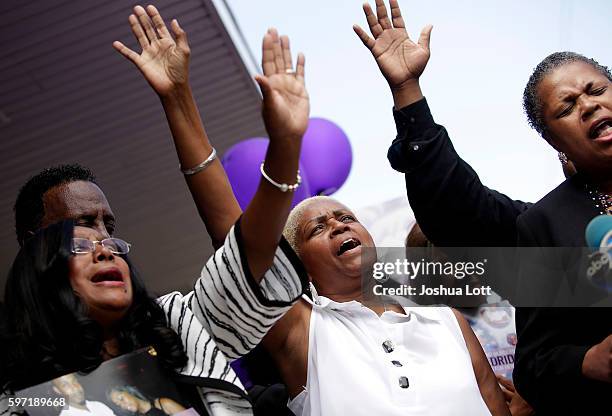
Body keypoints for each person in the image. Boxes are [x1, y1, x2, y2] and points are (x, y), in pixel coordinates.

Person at [2, 5, 309, 416]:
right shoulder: (20, 398)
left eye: (107, 227)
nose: (104, 244)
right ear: (32, 246)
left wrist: (285, 144)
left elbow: (247, 256)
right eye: (81, 227)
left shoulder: (180, 326)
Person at [355, 0, 612, 413]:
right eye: (566, 107)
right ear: (553, 143)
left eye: (597, 90)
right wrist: (408, 93)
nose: (588, 105)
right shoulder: (547, 230)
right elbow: (458, 210)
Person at [107, 385, 184, 415]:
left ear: (129, 391)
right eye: (119, 405)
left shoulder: (164, 404)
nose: (123, 405)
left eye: (121, 399)